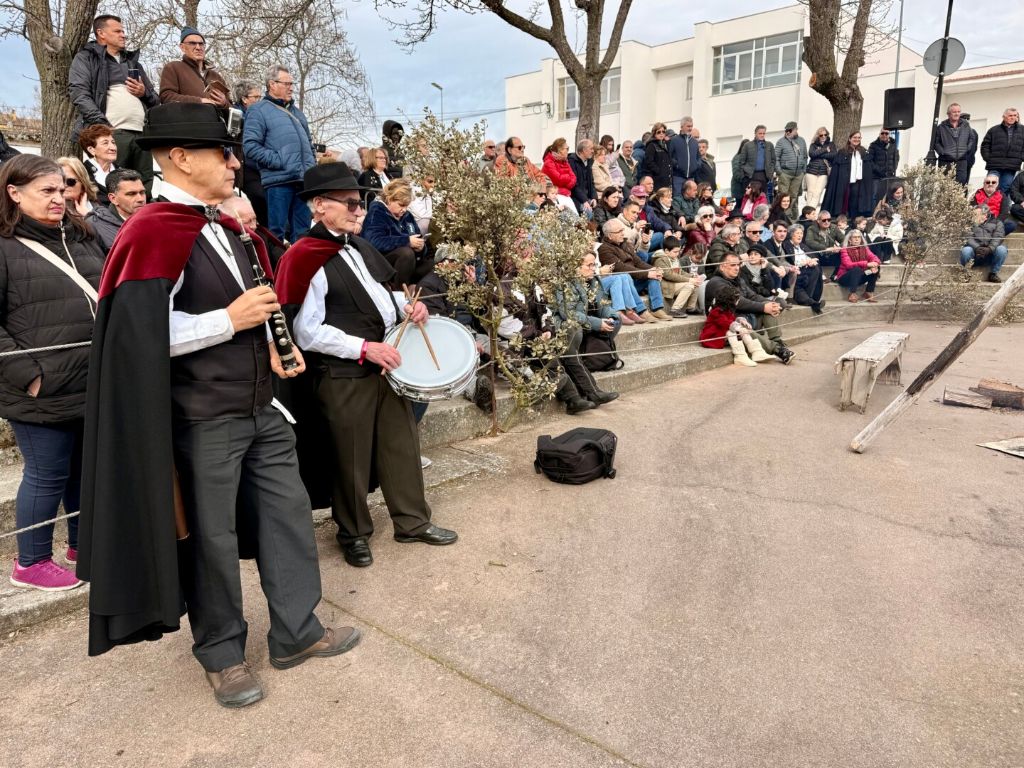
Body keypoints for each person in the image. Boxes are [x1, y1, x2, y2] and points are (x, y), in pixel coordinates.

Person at [78, 104, 358, 708]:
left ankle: (297, 630)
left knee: (288, 519)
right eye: (222, 153)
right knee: (211, 538)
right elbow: (139, 336)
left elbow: (256, 309)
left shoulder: (228, 227)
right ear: (180, 158)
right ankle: (222, 653)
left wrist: (275, 345)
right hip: (203, 418)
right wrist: (228, 320)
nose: (235, 163)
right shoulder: (150, 230)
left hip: (263, 408)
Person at [275, 161, 458, 569]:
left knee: (401, 444)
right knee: (349, 457)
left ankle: (412, 521)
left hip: (385, 365)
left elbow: (381, 296)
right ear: (319, 205)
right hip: (343, 374)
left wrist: (409, 307)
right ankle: (353, 533)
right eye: (350, 203)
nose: (359, 210)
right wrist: (363, 348)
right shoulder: (304, 256)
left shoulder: (358, 247)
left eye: (360, 203)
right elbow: (305, 330)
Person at [0, 155, 105, 591]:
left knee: (84, 470)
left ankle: (82, 545)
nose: (59, 198)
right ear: (14, 193)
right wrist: (31, 375)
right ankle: (31, 562)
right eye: (47, 191)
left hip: (91, 380)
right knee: (46, 474)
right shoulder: (4, 247)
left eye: (62, 189)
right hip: (39, 390)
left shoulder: (83, 235)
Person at [69, 14, 159, 193]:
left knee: (143, 186)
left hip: (141, 134)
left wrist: (143, 92)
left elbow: (155, 99)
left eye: (123, 31)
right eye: (117, 31)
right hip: (113, 133)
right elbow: (79, 94)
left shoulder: (133, 63)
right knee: (114, 185)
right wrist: (104, 126)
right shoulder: (86, 58)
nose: (123, 35)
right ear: (101, 33)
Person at [242, 64, 316, 242]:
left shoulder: (298, 114)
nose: (291, 88)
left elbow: (309, 144)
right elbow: (250, 146)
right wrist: (279, 161)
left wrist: (311, 166)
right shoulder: (258, 110)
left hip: (303, 182)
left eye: (292, 84)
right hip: (278, 182)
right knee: (276, 234)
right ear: (272, 84)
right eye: (286, 83)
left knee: (303, 234)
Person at [553, 251, 620, 411]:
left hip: (585, 322)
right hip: (565, 324)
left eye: (594, 264)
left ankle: (591, 391)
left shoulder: (594, 280)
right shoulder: (565, 283)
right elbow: (568, 314)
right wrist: (596, 323)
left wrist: (611, 316)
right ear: (575, 267)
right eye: (589, 265)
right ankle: (592, 393)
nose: (593, 268)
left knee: (616, 319)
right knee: (571, 348)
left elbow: (602, 303)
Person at [704, 253, 795, 364]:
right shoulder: (716, 282)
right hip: (729, 324)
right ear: (722, 267)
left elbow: (753, 296)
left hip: (745, 317)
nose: (737, 268)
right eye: (733, 265)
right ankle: (777, 349)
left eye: (738, 264)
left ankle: (777, 341)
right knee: (747, 322)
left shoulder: (739, 280)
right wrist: (763, 307)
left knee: (769, 305)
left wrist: (770, 304)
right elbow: (738, 302)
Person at [361, 178, 433, 288]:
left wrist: (420, 248)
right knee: (406, 253)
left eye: (406, 206)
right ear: (389, 199)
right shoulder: (377, 212)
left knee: (432, 264)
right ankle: (398, 292)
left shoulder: (407, 215)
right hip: (382, 263)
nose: (404, 209)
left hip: (408, 265)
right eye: (401, 205)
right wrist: (406, 241)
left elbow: (417, 236)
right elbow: (373, 241)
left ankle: (417, 290)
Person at [598, 218, 671, 322]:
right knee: (633, 276)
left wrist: (652, 269)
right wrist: (647, 273)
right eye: (619, 231)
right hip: (622, 285)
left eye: (622, 230)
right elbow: (621, 268)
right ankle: (642, 311)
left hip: (633, 279)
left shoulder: (625, 243)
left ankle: (657, 308)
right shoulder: (604, 249)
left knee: (654, 274)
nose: (622, 233)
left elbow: (638, 262)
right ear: (609, 235)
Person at [700, 283, 773, 367]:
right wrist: (738, 328)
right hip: (713, 337)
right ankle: (740, 356)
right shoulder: (716, 311)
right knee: (731, 332)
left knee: (743, 331)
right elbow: (725, 323)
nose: (738, 301)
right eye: (736, 299)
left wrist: (740, 320)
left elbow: (731, 319)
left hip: (722, 334)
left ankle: (757, 351)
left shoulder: (727, 310)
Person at [158, 27, 230, 106]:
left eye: (201, 44)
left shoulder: (216, 76)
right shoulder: (173, 68)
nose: (198, 47)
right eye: (192, 43)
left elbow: (231, 107)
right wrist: (199, 101)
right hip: (187, 114)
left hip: (215, 114)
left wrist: (224, 103)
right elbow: (166, 97)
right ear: (182, 47)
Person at [231, 80, 268, 227]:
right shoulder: (235, 114)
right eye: (256, 97)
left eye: (260, 97)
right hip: (246, 167)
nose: (259, 100)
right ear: (244, 99)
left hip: (262, 167)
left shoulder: (262, 116)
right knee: (260, 198)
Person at [85, 167, 146, 252]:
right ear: (113, 198)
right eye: (131, 194)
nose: (140, 199)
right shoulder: (94, 226)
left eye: (142, 192)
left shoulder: (154, 221)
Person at [822, 131, 874, 219]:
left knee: (855, 202)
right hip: (844, 183)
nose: (857, 139)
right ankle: (843, 220)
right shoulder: (842, 152)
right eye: (854, 137)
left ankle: (854, 219)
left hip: (858, 183)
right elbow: (837, 170)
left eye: (859, 137)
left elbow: (868, 168)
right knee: (843, 202)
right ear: (850, 139)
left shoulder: (863, 152)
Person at [651, 235, 700, 316]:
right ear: (666, 251)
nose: (677, 254)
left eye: (678, 251)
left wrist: (692, 276)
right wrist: (689, 280)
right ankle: (675, 309)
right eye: (675, 252)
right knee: (690, 285)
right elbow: (669, 275)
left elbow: (680, 272)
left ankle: (691, 308)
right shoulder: (660, 260)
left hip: (674, 283)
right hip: (666, 285)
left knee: (696, 283)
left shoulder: (674, 258)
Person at [932, 103, 977, 186]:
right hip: (945, 161)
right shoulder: (941, 127)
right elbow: (936, 142)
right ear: (948, 114)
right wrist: (943, 152)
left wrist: (967, 149)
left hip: (961, 161)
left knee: (960, 186)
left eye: (959, 112)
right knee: (945, 187)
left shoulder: (966, 125)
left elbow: (971, 138)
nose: (957, 114)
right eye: (954, 112)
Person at [960, 204, 1008, 283]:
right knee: (966, 250)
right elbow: (967, 237)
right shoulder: (969, 223)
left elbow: (998, 237)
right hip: (974, 254)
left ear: (985, 215)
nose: (973, 216)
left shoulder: (997, 223)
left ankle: (993, 274)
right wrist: (977, 247)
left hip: (990, 254)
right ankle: (966, 273)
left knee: (1002, 249)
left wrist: (990, 249)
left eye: (976, 214)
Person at [980, 108, 1023, 194]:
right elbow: (985, 145)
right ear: (1004, 117)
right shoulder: (993, 130)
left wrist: (1020, 158)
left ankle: (1002, 203)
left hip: (1011, 166)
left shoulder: (1022, 130)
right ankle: (988, 203)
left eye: (1015, 115)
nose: (1013, 117)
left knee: (1005, 189)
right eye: (1010, 115)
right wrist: (988, 158)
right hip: (994, 165)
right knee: (990, 187)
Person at [784, 223, 825, 314]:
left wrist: (811, 261)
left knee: (816, 268)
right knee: (798, 289)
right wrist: (805, 262)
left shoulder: (802, 246)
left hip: (805, 273)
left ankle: (812, 301)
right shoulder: (786, 245)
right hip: (795, 273)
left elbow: (811, 256)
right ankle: (814, 303)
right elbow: (791, 261)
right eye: (797, 233)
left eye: (801, 233)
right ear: (791, 234)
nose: (800, 235)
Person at [836, 228, 881, 302]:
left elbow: (874, 258)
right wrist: (866, 264)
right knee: (857, 269)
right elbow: (848, 265)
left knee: (876, 268)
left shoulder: (865, 249)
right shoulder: (844, 250)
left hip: (860, 277)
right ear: (850, 240)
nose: (857, 239)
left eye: (859, 237)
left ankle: (868, 292)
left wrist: (875, 263)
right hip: (845, 278)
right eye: (854, 237)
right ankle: (852, 293)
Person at [78, 124, 119, 198]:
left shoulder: (121, 171)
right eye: (105, 143)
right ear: (91, 150)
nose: (113, 148)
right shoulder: (83, 174)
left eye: (113, 142)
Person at [775, 121, 807, 204]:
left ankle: (790, 212)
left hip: (798, 174)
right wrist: (779, 172)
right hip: (785, 174)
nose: (796, 131)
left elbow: (805, 156)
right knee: (783, 196)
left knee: (794, 196)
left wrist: (803, 171)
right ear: (788, 131)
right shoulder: (781, 142)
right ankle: (781, 212)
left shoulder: (801, 141)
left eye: (796, 129)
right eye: (795, 129)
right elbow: (775, 158)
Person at [668, 116, 700, 196]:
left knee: (690, 198)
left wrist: (696, 166)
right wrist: (677, 165)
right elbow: (669, 157)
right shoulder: (674, 140)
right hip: (678, 177)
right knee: (678, 198)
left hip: (691, 178)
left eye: (691, 126)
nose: (690, 128)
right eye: (688, 126)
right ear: (682, 127)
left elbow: (698, 158)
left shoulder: (695, 142)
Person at [805, 127, 836, 209]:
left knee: (817, 192)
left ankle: (810, 211)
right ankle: (808, 212)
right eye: (821, 135)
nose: (823, 136)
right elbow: (812, 154)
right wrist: (825, 150)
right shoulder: (813, 145)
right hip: (811, 171)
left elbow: (833, 155)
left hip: (823, 172)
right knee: (810, 192)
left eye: (825, 134)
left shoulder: (831, 144)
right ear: (818, 136)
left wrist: (818, 153)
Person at [867, 128, 899, 204]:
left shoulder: (893, 144)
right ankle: (874, 211)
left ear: (889, 135)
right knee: (875, 196)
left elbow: (896, 158)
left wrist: (893, 168)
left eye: (886, 133)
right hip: (876, 177)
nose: (884, 135)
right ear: (879, 134)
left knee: (888, 196)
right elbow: (870, 161)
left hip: (889, 176)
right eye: (882, 133)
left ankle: (885, 211)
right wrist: (879, 170)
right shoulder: (873, 145)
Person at [739, 125, 776, 191]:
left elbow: (773, 160)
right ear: (755, 133)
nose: (762, 135)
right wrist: (743, 176)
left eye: (764, 133)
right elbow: (741, 162)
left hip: (765, 175)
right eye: (760, 133)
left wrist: (771, 172)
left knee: (763, 196)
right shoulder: (747, 145)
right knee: (752, 196)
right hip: (751, 176)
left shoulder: (769, 145)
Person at [541, 138, 577, 202]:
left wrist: (567, 185)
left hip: (564, 193)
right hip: (552, 195)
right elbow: (559, 179)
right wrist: (568, 177)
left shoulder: (565, 162)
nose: (568, 151)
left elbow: (574, 178)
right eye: (567, 148)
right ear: (560, 150)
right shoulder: (549, 162)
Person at [568, 139, 597, 215]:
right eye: (591, 149)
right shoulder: (572, 161)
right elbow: (574, 186)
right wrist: (584, 200)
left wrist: (594, 197)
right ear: (584, 150)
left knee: (600, 209)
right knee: (589, 212)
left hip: (588, 198)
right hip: (576, 198)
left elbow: (591, 182)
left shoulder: (589, 161)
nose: (593, 151)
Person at [641, 123, 672, 191]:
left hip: (666, 179)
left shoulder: (666, 145)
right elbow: (649, 162)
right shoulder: (651, 145)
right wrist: (659, 171)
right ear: (654, 134)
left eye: (663, 132)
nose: (661, 134)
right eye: (659, 132)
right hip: (656, 179)